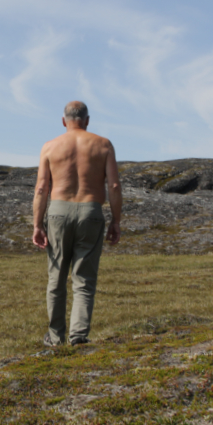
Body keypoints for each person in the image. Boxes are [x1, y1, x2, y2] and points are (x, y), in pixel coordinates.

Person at [31, 100, 122, 346]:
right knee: (84, 279)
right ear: (87, 120)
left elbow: (41, 188)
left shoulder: (50, 147)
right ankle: (78, 336)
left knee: (56, 276)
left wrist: (37, 224)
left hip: (58, 211)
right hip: (91, 210)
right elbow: (113, 185)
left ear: (64, 121)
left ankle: (56, 336)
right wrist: (116, 220)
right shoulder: (103, 145)